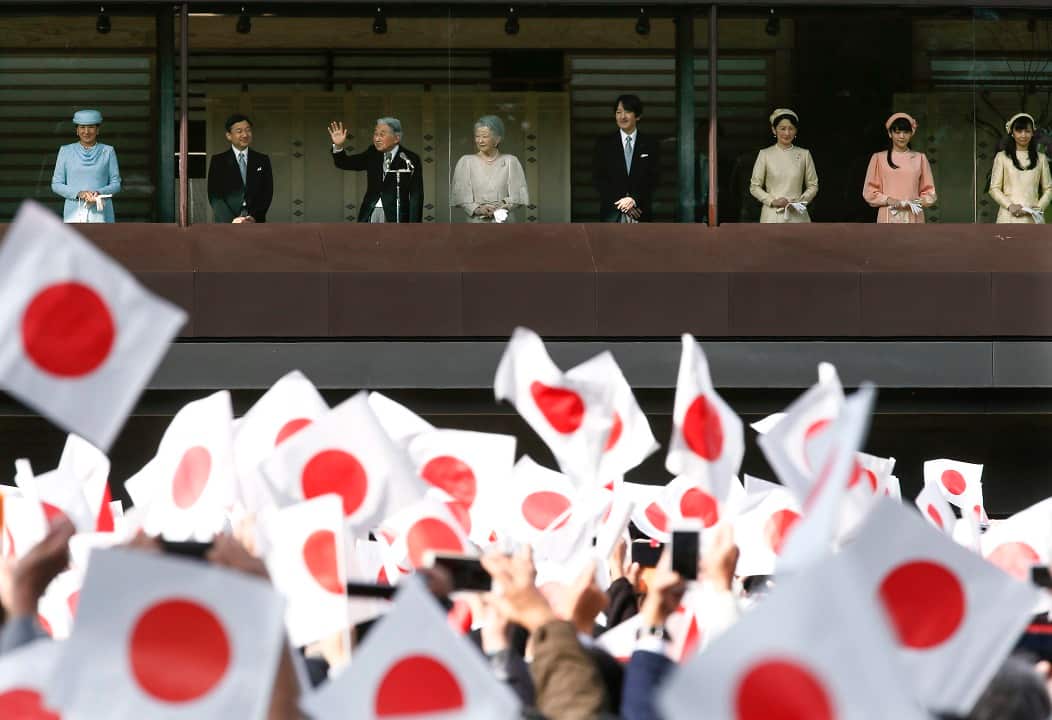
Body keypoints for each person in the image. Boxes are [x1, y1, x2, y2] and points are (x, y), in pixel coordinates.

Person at [327, 116, 423, 223]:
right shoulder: (372, 153)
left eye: (382, 135)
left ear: (396, 138)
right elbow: (345, 163)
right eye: (376, 134)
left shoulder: (410, 158)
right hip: (370, 211)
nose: (377, 139)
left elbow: (416, 195)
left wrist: (414, 225)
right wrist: (338, 146)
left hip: (397, 215)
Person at [592, 94, 661, 223]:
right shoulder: (604, 144)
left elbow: (654, 178)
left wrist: (634, 200)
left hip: (640, 212)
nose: (622, 116)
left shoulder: (650, 144)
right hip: (612, 214)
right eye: (619, 112)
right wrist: (624, 205)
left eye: (628, 111)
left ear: (638, 116)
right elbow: (598, 179)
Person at [451, 115, 529, 223]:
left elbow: (518, 196)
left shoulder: (511, 161)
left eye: (485, 136)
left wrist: (502, 205)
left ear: (497, 139)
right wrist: (478, 209)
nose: (480, 141)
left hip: (504, 222)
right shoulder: (466, 161)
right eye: (477, 136)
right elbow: (461, 196)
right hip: (476, 224)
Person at [863, 112, 937, 223]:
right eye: (897, 132)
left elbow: (929, 191)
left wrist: (917, 201)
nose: (902, 136)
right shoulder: (879, 158)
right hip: (888, 215)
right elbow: (869, 192)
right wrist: (888, 200)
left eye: (906, 132)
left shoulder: (920, 158)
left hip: (914, 215)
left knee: (914, 241)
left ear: (911, 133)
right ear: (890, 133)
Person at [51, 109, 121, 223]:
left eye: (91, 127)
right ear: (77, 130)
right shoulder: (65, 151)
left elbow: (116, 184)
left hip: (100, 212)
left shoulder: (108, 151)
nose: (86, 131)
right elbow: (56, 184)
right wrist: (80, 193)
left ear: (97, 130)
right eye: (82, 127)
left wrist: (99, 193)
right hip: (74, 212)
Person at [749, 108, 819, 223]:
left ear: (796, 131)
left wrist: (799, 202)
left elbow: (813, 185)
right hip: (771, 216)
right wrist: (772, 201)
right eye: (782, 128)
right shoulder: (765, 154)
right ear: (774, 130)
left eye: (791, 128)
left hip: (798, 216)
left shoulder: (804, 154)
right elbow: (754, 186)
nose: (787, 133)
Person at [207, 113, 274, 223]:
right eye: (239, 131)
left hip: (255, 222)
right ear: (229, 135)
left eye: (248, 130)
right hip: (227, 224)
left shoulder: (262, 160)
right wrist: (231, 220)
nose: (245, 134)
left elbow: (267, 193)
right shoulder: (218, 161)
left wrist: (254, 217)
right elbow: (214, 195)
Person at [989, 112, 1052, 224]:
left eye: (1027, 131)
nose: (1023, 135)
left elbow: (1049, 189)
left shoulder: (1041, 159)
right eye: (1019, 131)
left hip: (1033, 217)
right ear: (1012, 133)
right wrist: (1010, 206)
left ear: (1032, 133)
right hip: (1007, 217)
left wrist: (1037, 208)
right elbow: (994, 188)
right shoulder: (1002, 157)